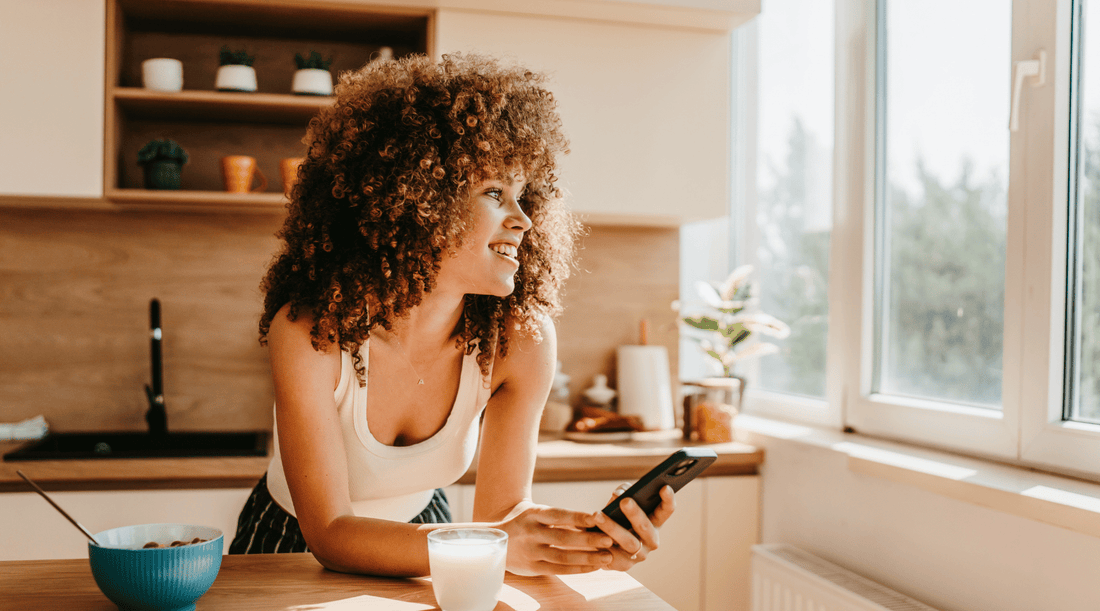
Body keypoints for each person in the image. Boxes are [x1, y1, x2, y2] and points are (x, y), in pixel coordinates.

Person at [228, 52, 676, 577]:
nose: (525, 219)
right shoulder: (311, 332)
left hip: (431, 537)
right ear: (414, 199)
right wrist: (486, 542)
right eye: (494, 192)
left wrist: (581, 539)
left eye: (523, 195)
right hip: (285, 548)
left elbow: (504, 516)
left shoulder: (521, 341)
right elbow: (329, 533)